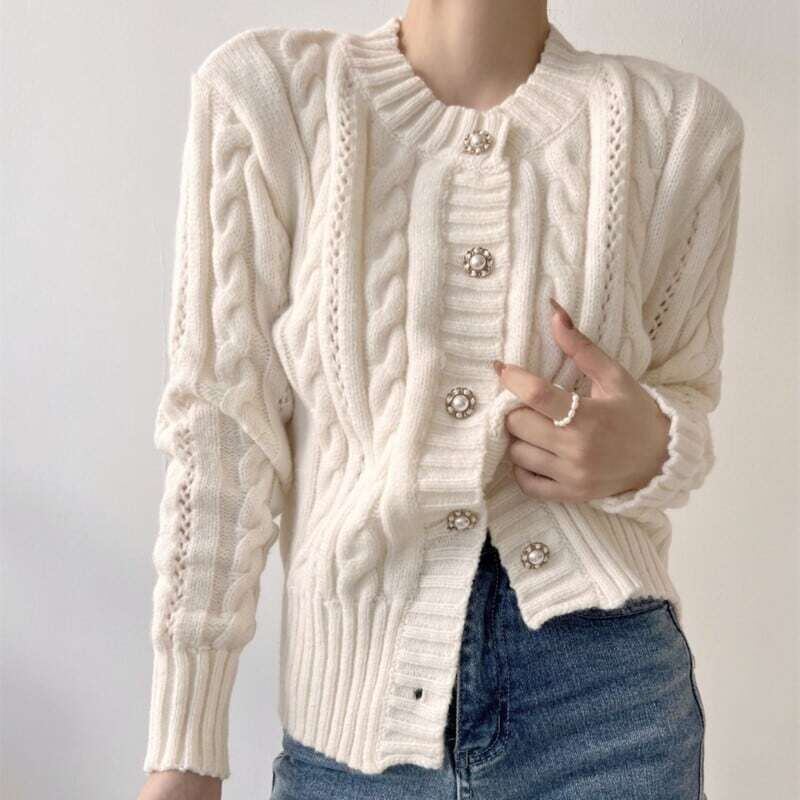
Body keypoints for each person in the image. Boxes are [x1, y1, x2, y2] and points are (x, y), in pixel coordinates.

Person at [137, 1, 743, 798]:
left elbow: (683, 399)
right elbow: (221, 437)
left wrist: (657, 448)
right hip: (354, 721)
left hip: (607, 713)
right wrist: (184, 746)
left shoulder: (679, 127)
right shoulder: (269, 97)